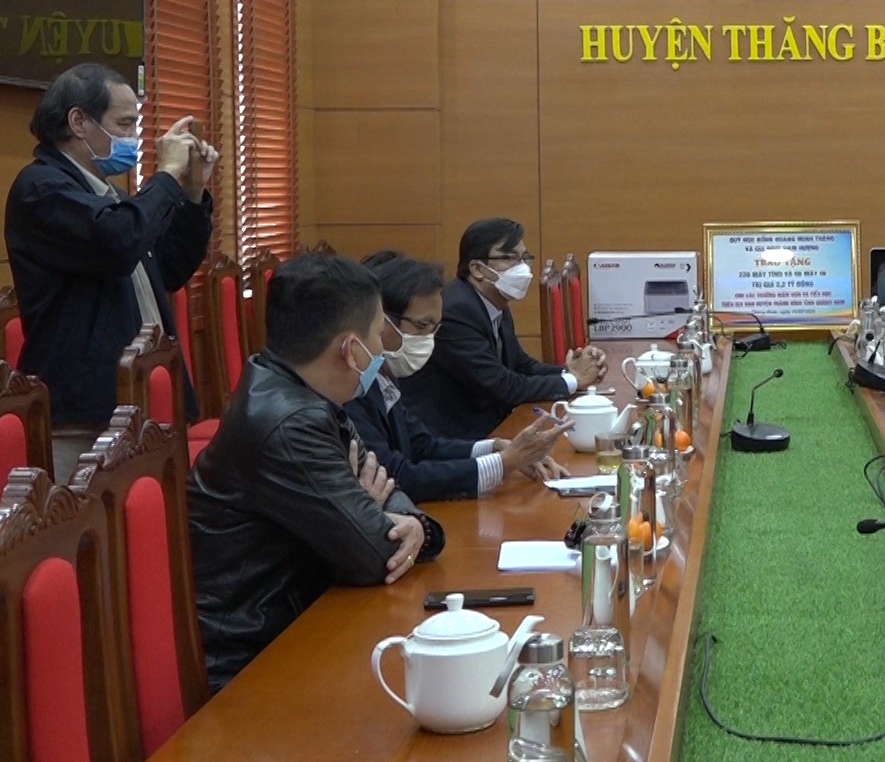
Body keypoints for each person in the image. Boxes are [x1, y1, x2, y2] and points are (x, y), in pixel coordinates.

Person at [188, 254, 445, 690]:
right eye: (377, 335)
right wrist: (374, 511)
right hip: (255, 661)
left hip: (302, 622)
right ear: (350, 349)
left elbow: (389, 490)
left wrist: (410, 523)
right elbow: (375, 555)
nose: (382, 348)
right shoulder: (290, 422)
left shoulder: (302, 392)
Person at [4, 63, 216, 478]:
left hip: (141, 403)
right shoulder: (41, 189)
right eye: (124, 124)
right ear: (79, 122)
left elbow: (169, 269)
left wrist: (191, 193)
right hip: (85, 414)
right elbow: (119, 241)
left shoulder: (108, 195)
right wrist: (166, 176)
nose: (134, 137)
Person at [345, 251, 571, 502]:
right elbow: (396, 475)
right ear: (381, 321)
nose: (428, 339)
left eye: (435, 329)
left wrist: (496, 448)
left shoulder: (384, 375)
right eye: (422, 326)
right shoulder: (348, 387)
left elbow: (422, 445)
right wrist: (503, 463)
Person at [397, 218, 607, 440]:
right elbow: (503, 386)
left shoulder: (494, 301)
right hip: (454, 437)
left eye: (524, 258)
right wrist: (574, 380)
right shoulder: (457, 311)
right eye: (509, 258)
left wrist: (568, 371)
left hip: (489, 425)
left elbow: (520, 364)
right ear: (477, 269)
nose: (522, 267)